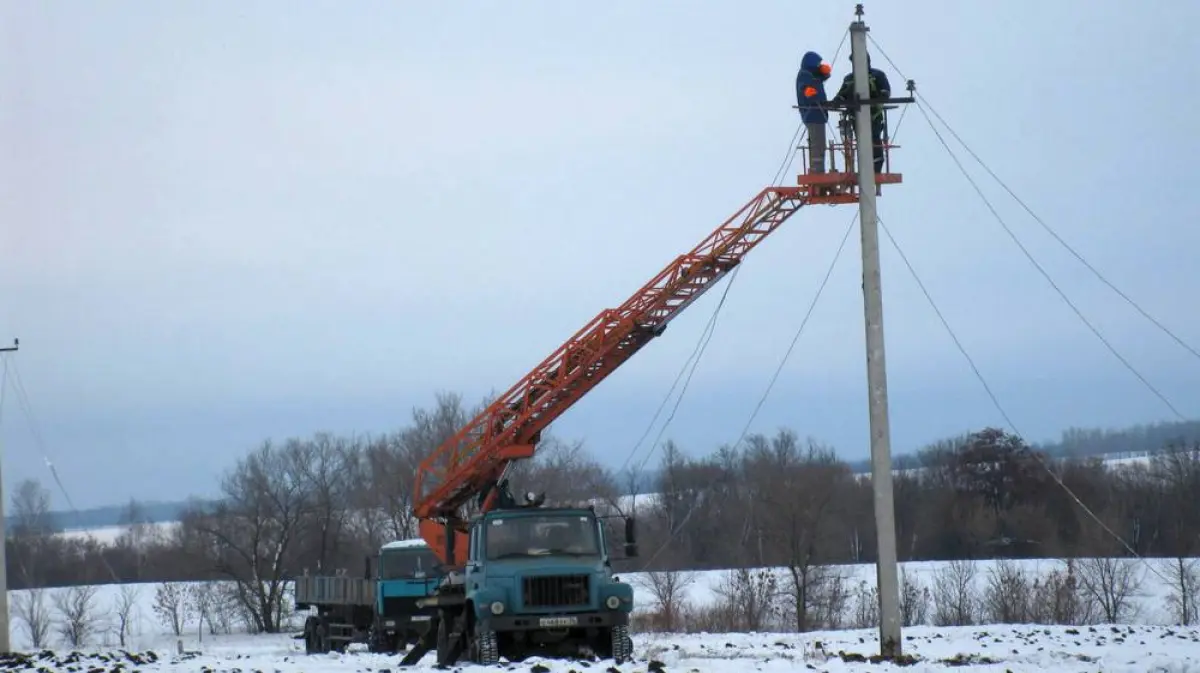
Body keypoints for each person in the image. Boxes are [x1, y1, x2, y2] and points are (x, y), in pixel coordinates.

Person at [831, 52, 892, 173]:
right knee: (861, 142)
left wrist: (881, 96)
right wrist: (838, 100)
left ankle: (876, 168)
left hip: (873, 115)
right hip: (856, 116)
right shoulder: (849, 79)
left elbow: (886, 92)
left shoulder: (877, 75)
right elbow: (842, 94)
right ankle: (864, 168)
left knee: (874, 139)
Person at [795, 51, 832, 174]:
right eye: (817, 64)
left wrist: (824, 72)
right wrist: (808, 91)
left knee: (819, 143)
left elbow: (820, 78)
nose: (819, 66)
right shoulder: (805, 75)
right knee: (818, 144)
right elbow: (804, 85)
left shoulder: (811, 75)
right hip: (813, 113)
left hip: (818, 114)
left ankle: (817, 168)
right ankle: (817, 169)